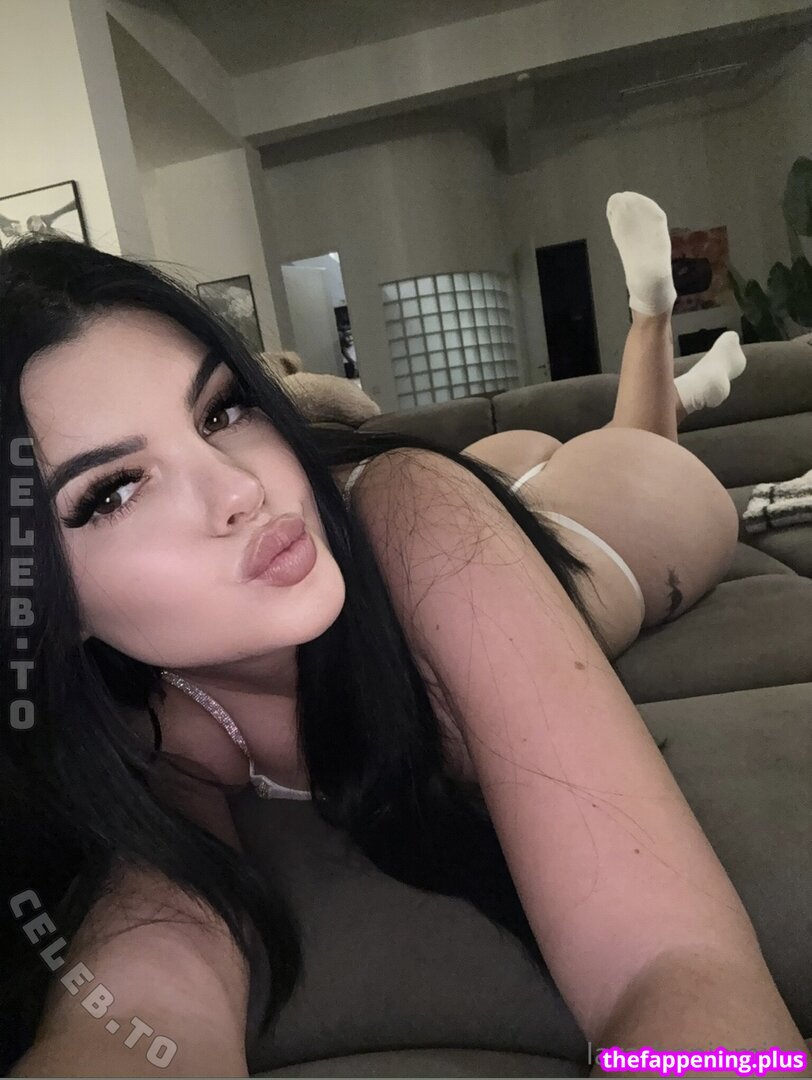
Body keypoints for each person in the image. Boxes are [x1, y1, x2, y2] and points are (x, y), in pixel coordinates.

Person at [1, 198, 807, 1078]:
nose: (239, 488)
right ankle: (657, 397)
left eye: (222, 410)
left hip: (620, 517)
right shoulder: (149, 731)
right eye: (114, 490)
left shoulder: (412, 507)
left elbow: (672, 958)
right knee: (485, 481)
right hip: (453, 514)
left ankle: (652, 320)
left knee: (629, 446)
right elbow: (148, 984)